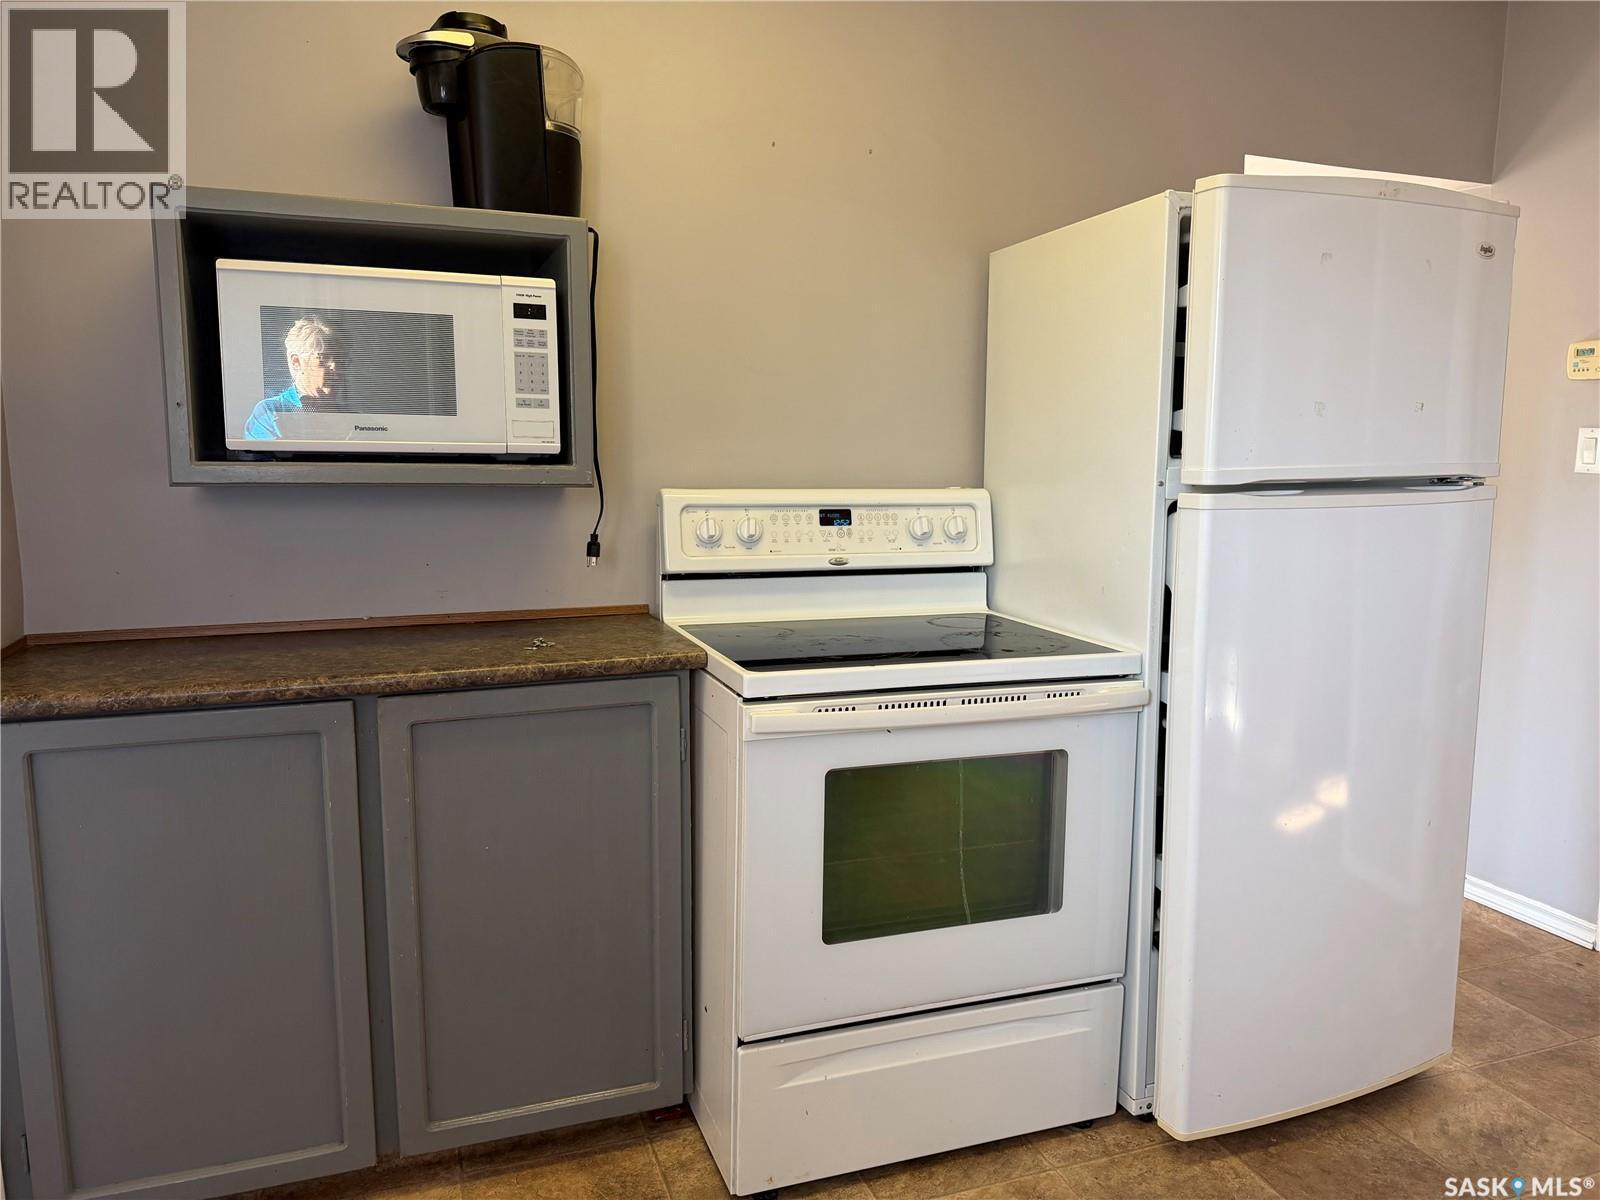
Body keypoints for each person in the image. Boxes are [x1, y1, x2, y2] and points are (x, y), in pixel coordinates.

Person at [243, 316, 339, 440]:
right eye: (324, 358)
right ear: (296, 362)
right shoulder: (269, 412)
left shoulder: (355, 416)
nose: (336, 367)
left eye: (341, 359)